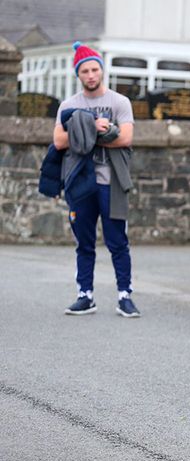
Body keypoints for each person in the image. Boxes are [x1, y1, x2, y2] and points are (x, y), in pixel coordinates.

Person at [54, 41, 140, 318]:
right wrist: (93, 127)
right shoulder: (69, 105)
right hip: (81, 182)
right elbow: (58, 141)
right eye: (85, 71)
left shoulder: (119, 102)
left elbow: (125, 138)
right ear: (78, 75)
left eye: (94, 69)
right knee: (84, 242)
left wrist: (81, 136)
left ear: (101, 71)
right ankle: (85, 295)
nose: (90, 75)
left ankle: (125, 296)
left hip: (111, 181)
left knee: (117, 241)